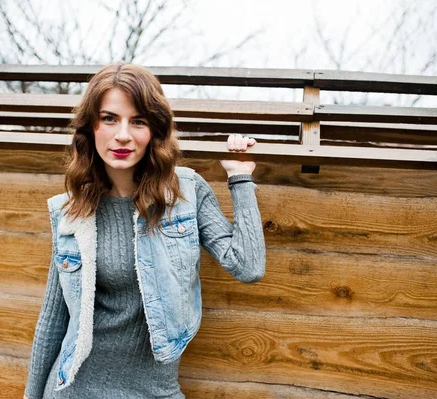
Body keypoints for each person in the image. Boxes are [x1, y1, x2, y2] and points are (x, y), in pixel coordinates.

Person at [24, 63, 266, 399]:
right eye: (109, 118)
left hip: (155, 389)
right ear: (91, 127)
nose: (123, 134)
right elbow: (52, 323)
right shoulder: (71, 210)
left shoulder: (185, 193)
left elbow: (248, 266)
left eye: (138, 121)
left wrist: (240, 178)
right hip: (75, 388)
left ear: (154, 129)